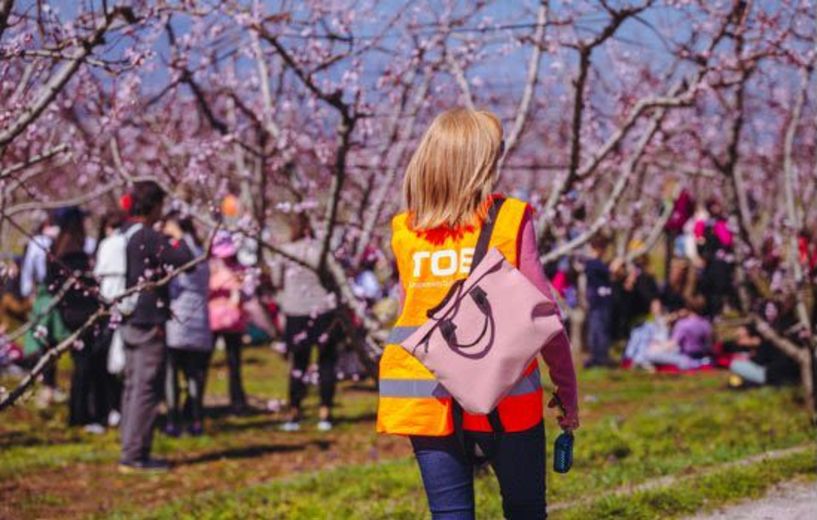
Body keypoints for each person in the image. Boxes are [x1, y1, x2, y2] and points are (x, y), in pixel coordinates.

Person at [376, 108, 579, 519]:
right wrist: (567, 388)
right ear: (481, 162)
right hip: (502, 391)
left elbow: (409, 309)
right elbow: (544, 315)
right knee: (524, 509)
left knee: (449, 514)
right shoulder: (508, 218)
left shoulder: (406, 230)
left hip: (422, 393)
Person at [118, 182, 193, 473]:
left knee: (133, 385)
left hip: (128, 318)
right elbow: (187, 261)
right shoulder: (148, 237)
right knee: (146, 389)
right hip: (149, 322)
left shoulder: (125, 234)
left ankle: (129, 447)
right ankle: (135, 454)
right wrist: (177, 235)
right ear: (153, 206)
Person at [274, 215, 341, 432]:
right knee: (327, 362)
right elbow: (336, 277)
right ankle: (325, 411)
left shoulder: (285, 251)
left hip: (296, 311)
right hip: (323, 310)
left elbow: (276, 280)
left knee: (298, 364)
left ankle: (294, 411)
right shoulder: (321, 250)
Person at [45, 207, 105, 432]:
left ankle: (78, 413)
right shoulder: (76, 255)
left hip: (67, 315)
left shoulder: (56, 251)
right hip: (83, 317)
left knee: (80, 366)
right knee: (84, 367)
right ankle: (80, 414)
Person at [163, 212, 213, 437]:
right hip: (200, 318)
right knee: (195, 373)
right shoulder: (201, 250)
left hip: (178, 318)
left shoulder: (178, 250)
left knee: (172, 371)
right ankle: (195, 419)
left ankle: (173, 419)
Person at [20, 214, 66, 408]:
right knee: (47, 341)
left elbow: (28, 272)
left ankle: (48, 385)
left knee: (45, 340)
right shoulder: (47, 242)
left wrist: (27, 292)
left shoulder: (40, 243)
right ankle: (46, 384)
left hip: (43, 293)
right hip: (49, 293)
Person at [92, 209, 127, 428]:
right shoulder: (126, 242)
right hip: (125, 303)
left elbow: (98, 273)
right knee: (120, 356)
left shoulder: (106, 244)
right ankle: (119, 406)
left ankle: (112, 407)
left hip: (107, 302)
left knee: (107, 358)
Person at [208, 232, 250, 413]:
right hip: (213, 320)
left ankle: (238, 400)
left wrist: (237, 292)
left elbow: (247, 292)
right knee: (204, 360)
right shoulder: (211, 268)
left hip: (234, 322)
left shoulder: (240, 269)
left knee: (234, 363)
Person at [583, 236, 614, 368]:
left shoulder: (596, 264)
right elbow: (607, 272)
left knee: (600, 328)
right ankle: (598, 357)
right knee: (598, 329)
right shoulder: (593, 264)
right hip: (597, 302)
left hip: (602, 301)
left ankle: (600, 356)